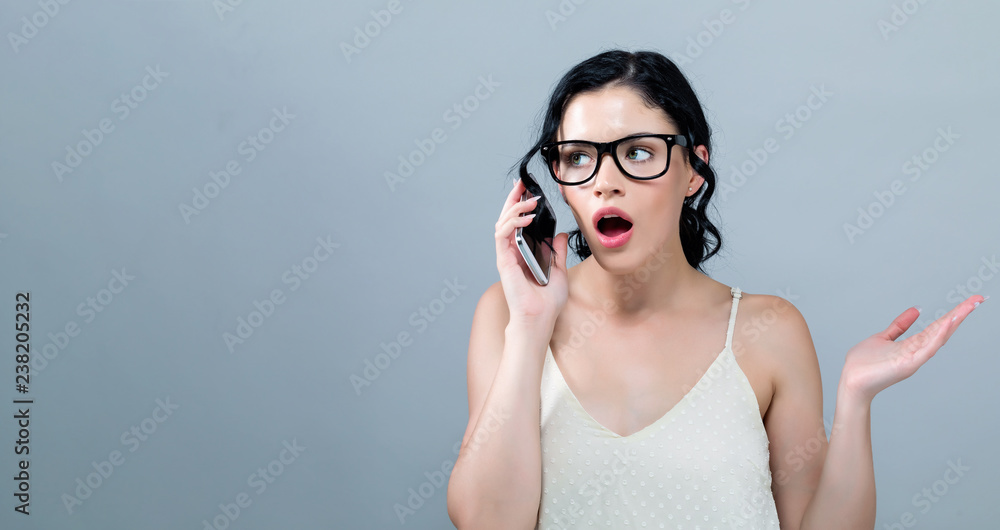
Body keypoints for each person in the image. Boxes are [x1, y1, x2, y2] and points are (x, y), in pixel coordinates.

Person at [446, 49, 984, 529]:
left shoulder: (769, 330)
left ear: (694, 170)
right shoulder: (509, 315)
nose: (605, 180)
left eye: (637, 152)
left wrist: (855, 401)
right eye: (579, 157)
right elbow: (486, 521)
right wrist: (532, 326)